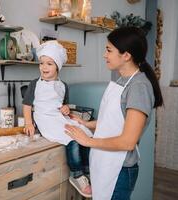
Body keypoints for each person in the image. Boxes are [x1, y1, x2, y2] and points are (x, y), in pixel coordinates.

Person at [65, 27, 163, 200]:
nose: (105, 55)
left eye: (109, 50)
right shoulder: (120, 80)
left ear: (126, 55)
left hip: (120, 170)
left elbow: (128, 142)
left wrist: (88, 141)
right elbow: (115, 120)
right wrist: (88, 124)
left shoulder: (139, 87)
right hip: (105, 163)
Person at [22, 41, 93, 198]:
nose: (44, 67)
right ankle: (77, 175)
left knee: (85, 134)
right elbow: (27, 105)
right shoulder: (34, 84)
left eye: (49, 64)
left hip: (58, 117)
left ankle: (88, 169)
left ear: (58, 67)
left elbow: (63, 105)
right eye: (41, 63)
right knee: (72, 139)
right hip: (45, 119)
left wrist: (65, 108)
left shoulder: (63, 85)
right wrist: (28, 122)